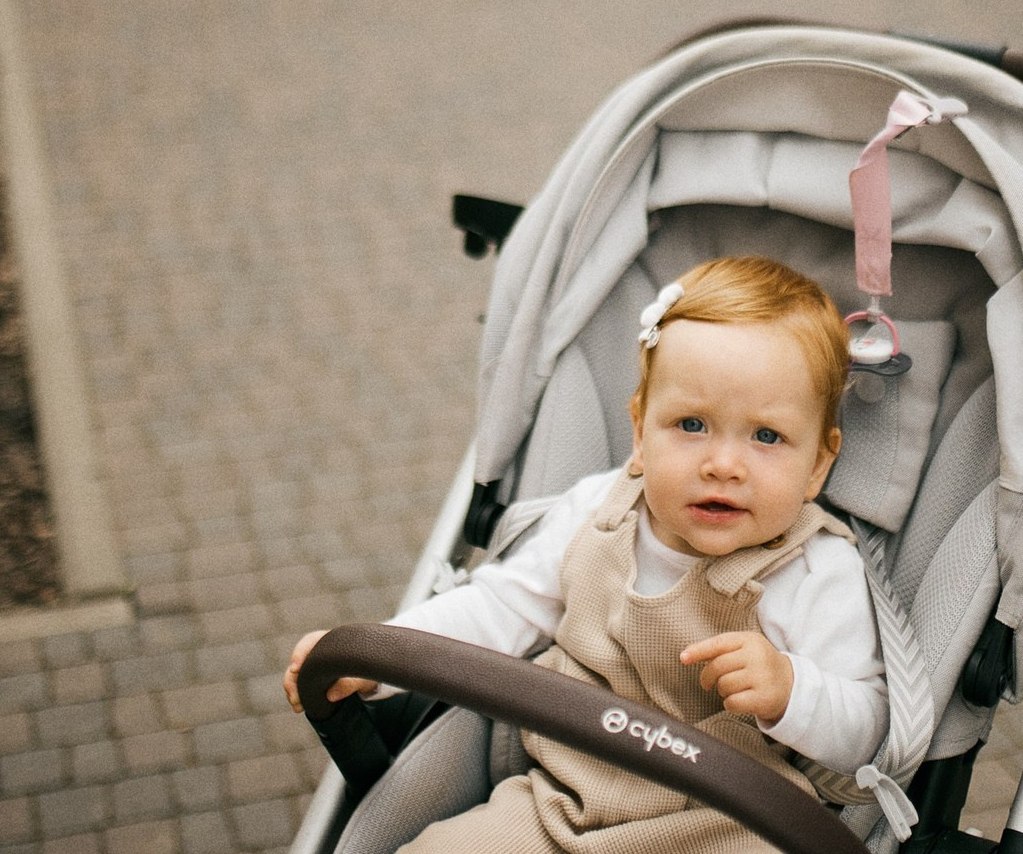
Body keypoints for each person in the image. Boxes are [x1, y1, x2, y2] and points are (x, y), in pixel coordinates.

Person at [285, 256, 888, 853]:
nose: (723, 465)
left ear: (817, 464)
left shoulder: (816, 572)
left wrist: (791, 690)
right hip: (560, 796)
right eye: (691, 424)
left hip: (725, 823)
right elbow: (503, 607)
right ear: (639, 432)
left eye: (765, 437)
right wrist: (386, 653)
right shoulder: (599, 511)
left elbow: (868, 731)